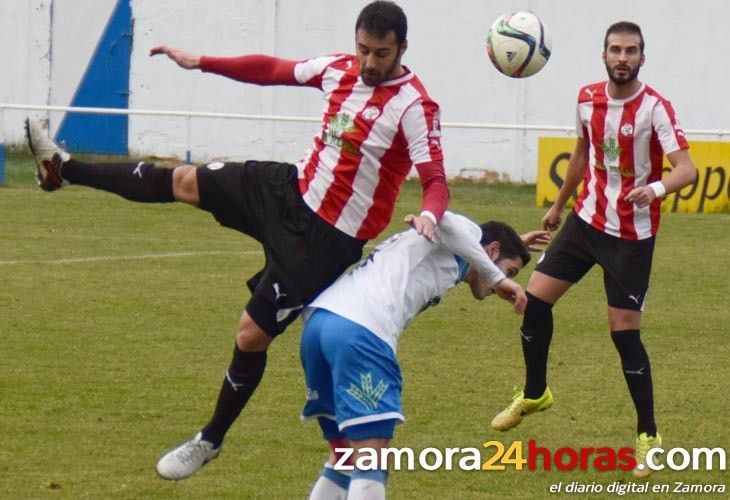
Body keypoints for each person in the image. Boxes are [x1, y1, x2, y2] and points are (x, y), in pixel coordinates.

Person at [25, 1, 449, 480]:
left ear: (403, 49)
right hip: (287, 191)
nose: (370, 63)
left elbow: (436, 180)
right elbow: (272, 70)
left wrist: (430, 215)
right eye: (364, 50)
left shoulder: (414, 106)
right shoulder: (338, 69)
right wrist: (201, 62)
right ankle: (64, 170)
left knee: (250, 335)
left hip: (324, 241)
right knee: (184, 180)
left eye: (382, 55)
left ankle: (210, 440)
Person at [489, 21, 698, 479]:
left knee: (624, 334)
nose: (622, 57)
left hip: (631, 236)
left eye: (631, 51)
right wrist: (558, 207)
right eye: (615, 50)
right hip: (586, 221)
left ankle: (648, 435)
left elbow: (688, 170)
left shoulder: (656, 109)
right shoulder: (587, 98)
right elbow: (581, 155)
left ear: (643, 57)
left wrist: (656, 188)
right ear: (603, 56)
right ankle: (535, 392)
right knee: (535, 300)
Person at [300, 212, 547, 499]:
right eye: (510, 271)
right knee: (372, 458)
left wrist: (509, 247)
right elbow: (446, 221)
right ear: (491, 251)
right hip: (360, 331)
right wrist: (496, 274)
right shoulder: (467, 232)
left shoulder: (455, 252)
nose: (503, 284)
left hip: (320, 326)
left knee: (345, 456)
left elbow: (471, 244)